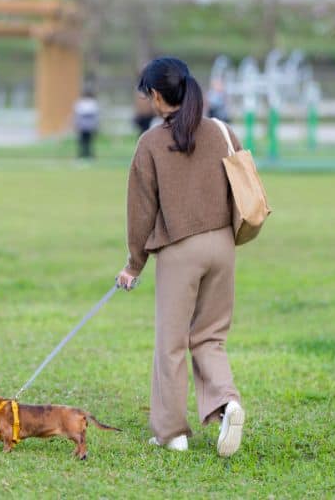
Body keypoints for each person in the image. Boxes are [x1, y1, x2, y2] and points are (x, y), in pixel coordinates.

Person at [116, 57, 245, 457]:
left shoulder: (151, 143)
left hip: (179, 251)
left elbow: (141, 213)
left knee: (171, 343)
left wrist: (133, 264)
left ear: (156, 96)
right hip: (223, 246)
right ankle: (227, 404)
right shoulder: (222, 131)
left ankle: (172, 433)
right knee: (210, 337)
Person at [73, 86, 100, 159]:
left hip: (85, 126)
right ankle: (84, 154)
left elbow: (77, 116)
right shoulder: (91, 103)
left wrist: (76, 124)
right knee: (85, 142)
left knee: (86, 142)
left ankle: (86, 155)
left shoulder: (83, 103)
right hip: (87, 126)